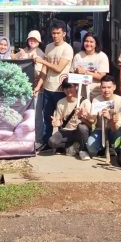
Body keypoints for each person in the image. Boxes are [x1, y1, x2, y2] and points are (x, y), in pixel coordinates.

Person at [33, 20, 74, 150]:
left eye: (58, 33)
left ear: (64, 34)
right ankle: (46, 142)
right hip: (48, 88)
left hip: (61, 89)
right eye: (53, 33)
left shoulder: (67, 48)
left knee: (63, 117)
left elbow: (58, 68)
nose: (55, 35)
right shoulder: (49, 47)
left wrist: (42, 61)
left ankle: (63, 144)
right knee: (47, 117)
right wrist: (38, 86)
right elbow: (45, 70)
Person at [85, 75, 121, 158]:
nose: (106, 90)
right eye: (104, 87)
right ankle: (104, 149)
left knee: (117, 134)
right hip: (100, 130)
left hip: (116, 129)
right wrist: (86, 116)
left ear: (114, 87)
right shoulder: (96, 100)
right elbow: (93, 120)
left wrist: (110, 117)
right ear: (100, 87)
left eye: (109, 87)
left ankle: (114, 148)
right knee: (90, 147)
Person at [48, 82, 92, 160]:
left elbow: (91, 123)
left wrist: (82, 117)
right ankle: (72, 145)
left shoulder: (85, 101)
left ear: (76, 87)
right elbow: (60, 120)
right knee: (52, 142)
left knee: (82, 127)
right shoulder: (60, 102)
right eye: (65, 88)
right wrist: (57, 122)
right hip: (66, 131)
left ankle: (83, 150)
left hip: (79, 131)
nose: (68, 90)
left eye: (70, 87)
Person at [70, 32, 109, 100]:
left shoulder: (102, 56)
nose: (88, 44)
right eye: (86, 41)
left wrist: (85, 72)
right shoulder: (78, 56)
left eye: (91, 42)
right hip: (81, 94)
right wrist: (76, 72)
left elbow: (102, 76)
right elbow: (72, 76)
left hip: (97, 94)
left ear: (96, 43)